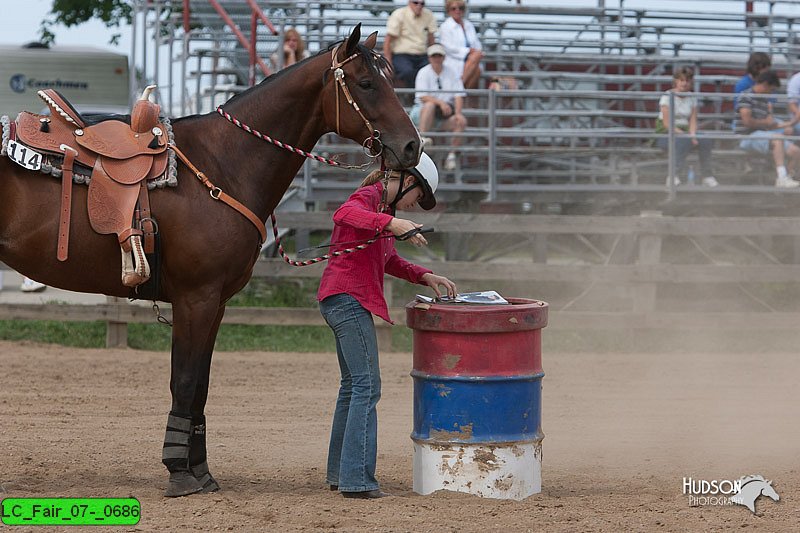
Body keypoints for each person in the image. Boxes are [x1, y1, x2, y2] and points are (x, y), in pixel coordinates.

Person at [317, 153, 456, 500]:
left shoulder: (382, 210)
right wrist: (391, 224)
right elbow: (343, 213)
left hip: (341, 298)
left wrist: (424, 275)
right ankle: (357, 480)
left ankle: (341, 472)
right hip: (347, 299)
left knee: (353, 386)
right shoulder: (369, 199)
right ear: (406, 180)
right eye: (417, 196)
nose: (414, 205)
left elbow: (389, 260)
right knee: (366, 385)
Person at [736, 70, 800, 188]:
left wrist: (792, 122)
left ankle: (787, 177)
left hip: (762, 135)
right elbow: (747, 122)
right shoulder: (746, 96)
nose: (771, 92)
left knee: (796, 151)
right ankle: (782, 178)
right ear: (765, 84)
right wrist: (766, 122)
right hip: (746, 137)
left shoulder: (764, 100)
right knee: (777, 138)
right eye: (771, 89)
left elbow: (770, 125)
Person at [655, 67, 718, 187]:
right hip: (666, 132)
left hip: (686, 131)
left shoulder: (691, 97)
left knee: (705, 140)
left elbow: (693, 121)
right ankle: (673, 175)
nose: (684, 83)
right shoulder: (667, 96)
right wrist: (687, 135)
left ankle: (707, 175)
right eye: (681, 80)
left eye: (687, 80)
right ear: (676, 81)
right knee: (682, 140)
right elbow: (667, 124)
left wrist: (692, 134)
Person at [411, 44, 467, 171]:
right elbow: (422, 97)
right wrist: (441, 103)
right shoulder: (423, 72)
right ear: (429, 58)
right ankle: (424, 137)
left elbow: (459, 95)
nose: (437, 58)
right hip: (422, 112)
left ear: (443, 57)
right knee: (430, 105)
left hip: (441, 116)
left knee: (461, 121)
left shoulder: (452, 72)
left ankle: (451, 156)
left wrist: (458, 113)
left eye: (439, 55)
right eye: (434, 56)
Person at [383, 0, 438, 88]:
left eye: (422, 3)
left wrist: (434, 57)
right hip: (401, 56)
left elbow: (432, 40)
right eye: (415, 2)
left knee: (433, 70)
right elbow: (388, 41)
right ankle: (416, 97)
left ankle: (417, 97)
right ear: (409, 2)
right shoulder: (399, 14)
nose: (419, 5)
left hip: (423, 55)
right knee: (407, 72)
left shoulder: (429, 15)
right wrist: (388, 63)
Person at [439, 0, 483, 89]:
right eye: (453, 8)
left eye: (461, 8)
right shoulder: (445, 26)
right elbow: (448, 47)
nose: (457, 11)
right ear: (448, 11)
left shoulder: (469, 25)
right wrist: (468, 51)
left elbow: (476, 43)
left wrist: (473, 52)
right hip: (455, 60)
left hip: (471, 59)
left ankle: (459, 90)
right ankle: (459, 89)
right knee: (476, 59)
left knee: (478, 69)